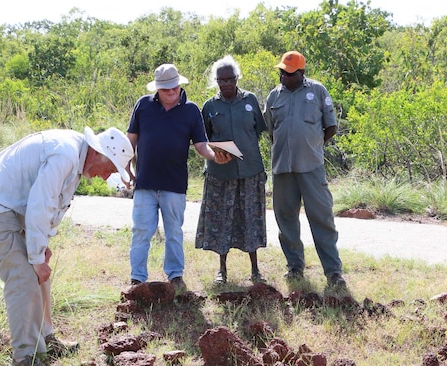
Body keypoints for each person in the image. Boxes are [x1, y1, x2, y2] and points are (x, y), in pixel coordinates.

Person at [0, 127, 133, 366]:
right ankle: (24, 362)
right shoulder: (64, 154)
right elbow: (40, 204)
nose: (105, 176)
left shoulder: (77, 158)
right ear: (98, 153)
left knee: (40, 270)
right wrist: (36, 256)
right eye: (109, 168)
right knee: (23, 277)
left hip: (11, 207)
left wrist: (41, 247)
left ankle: (45, 337)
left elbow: (54, 205)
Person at [126, 63, 230, 292]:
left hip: (174, 183)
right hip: (145, 182)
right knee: (141, 230)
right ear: (157, 89)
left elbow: (201, 144)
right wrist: (124, 165)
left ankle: (175, 275)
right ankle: (137, 279)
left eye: (174, 88)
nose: (172, 93)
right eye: (166, 90)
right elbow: (130, 139)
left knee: (174, 231)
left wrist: (214, 156)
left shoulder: (191, 110)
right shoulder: (143, 106)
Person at [263, 50, 346, 291]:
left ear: (301, 73)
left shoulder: (317, 91)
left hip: (311, 166)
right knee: (286, 219)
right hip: (282, 167)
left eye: (289, 74)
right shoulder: (273, 96)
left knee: (322, 219)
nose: (284, 77)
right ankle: (294, 267)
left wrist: (313, 146)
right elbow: (271, 130)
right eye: (281, 72)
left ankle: (333, 272)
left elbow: (330, 127)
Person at [195, 55, 268, 285]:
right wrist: (218, 152)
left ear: (237, 78)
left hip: (250, 170)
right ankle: (222, 271)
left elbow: (257, 131)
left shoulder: (251, 100)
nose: (225, 84)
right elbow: (203, 139)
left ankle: (255, 270)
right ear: (216, 81)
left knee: (250, 219)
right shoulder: (209, 106)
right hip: (221, 173)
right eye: (221, 80)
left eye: (230, 79)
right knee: (221, 220)